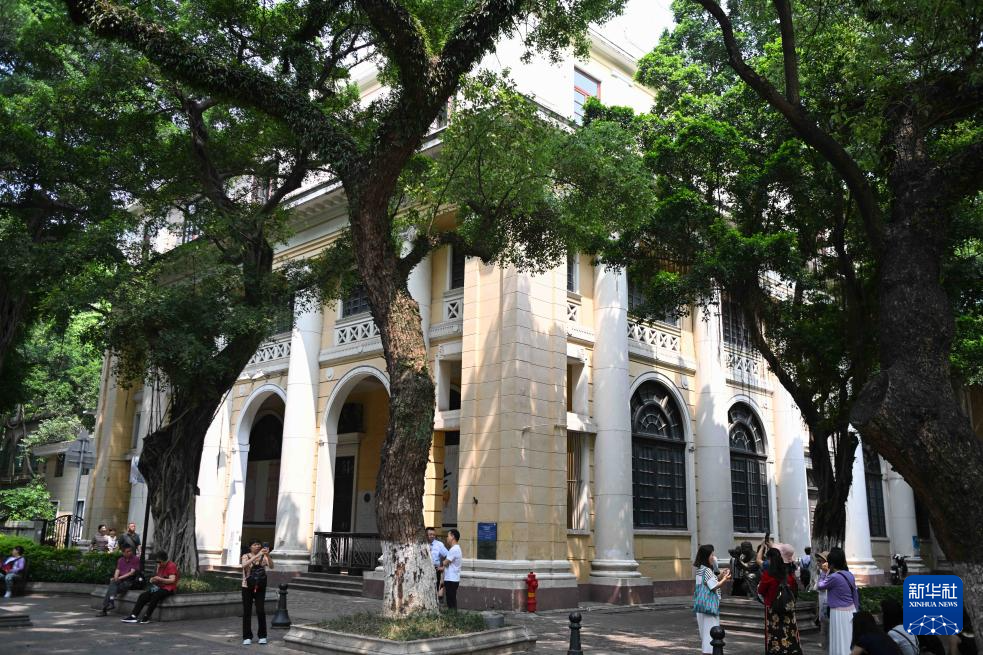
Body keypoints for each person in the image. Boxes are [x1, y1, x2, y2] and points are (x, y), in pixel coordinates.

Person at [758, 547, 803, 655]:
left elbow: (761, 590)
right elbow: (794, 589)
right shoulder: (788, 574)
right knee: (789, 630)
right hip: (787, 606)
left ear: (769, 559)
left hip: (772, 607)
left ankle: (775, 650)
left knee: (774, 632)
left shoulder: (768, 575)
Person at [818, 547, 860, 655]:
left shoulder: (834, 577)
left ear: (831, 564)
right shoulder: (849, 575)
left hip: (838, 613)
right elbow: (855, 594)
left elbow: (820, 586)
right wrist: (856, 610)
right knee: (848, 639)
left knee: (839, 640)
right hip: (851, 611)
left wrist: (823, 572)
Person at [693, 544, 731, 655]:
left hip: (701, 603)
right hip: (710, 604)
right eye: (712, 554)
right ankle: (710, 652)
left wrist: (720, 576)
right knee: (712, 631)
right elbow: (714, 586)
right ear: (706, 556)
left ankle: (706, 651)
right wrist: (725, 578)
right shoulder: (707, 571)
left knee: (704, 631)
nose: (713, 557)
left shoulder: (700, 569)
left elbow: (708, 582)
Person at [121, 551, 178, 624]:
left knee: (156, 595)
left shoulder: (171, 565)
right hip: (160, 587)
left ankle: (147, 616)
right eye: (156, 562)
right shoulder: (160, 566)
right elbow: (159, 578)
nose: (158, 563)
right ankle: (133, 616)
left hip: (169, 588)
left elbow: (172, 580)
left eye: (159, 562)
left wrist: (160, 579)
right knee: (143, 596)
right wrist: (154, 580)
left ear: (164, 560)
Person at [241, 539, 273, 645]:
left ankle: (262, 636)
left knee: (260, 611)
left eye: (259, 545)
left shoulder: (264, 556)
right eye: (255, 545)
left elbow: (271, 566)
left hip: (260, 587)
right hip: (247, 586)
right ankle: (247, 637)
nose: (257, 546)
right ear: (250, 547)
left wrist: (267, 555)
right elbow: (244, 565)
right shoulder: (246, 556)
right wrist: (257, 555)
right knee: (247, 612)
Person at [99, 545, 140, 615]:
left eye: (130, 551)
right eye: (128, 551)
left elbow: (131, 573)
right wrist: (115, 577)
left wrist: (118, 578)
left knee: (111, 589)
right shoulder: (121, 560)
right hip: (120, 580)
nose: (130, 552)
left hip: (129, 581)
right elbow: (117, 570)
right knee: (113, 584)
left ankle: (105, 608)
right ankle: (110, 603)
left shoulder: (135, 559)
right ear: (123, 553)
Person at [440, 529, 462, 611]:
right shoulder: (455, 548)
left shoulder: (454, 549)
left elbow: (445, 562)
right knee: (451, 600)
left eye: (448, 536)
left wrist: (441, 562)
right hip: (452, 578)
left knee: (451, 601)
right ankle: (453, 615)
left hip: (451, 579)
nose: (447, 538)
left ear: (452, 537)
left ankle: (453, 615)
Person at [427, 527, 448, 601]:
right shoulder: (422, 544)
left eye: (434, 534)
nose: (432, 536)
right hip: (424, 570)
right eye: (430, 534)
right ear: (426, 535)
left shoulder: (439, 544)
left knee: (435, 588)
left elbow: (448, 556)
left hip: (435, 569)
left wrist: (443, 567)